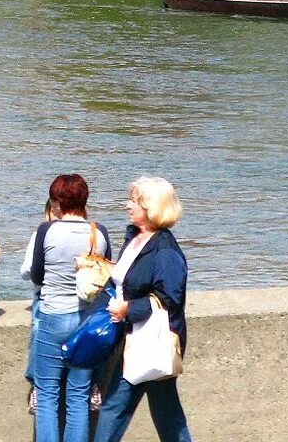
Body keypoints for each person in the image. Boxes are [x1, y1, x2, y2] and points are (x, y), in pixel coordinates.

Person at [95, 176, 192, 442]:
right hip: (132, 335)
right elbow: (128, 279)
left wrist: (129, 309)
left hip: (151, 338)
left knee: (117, 406)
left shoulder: (165, 251)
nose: (128, 205)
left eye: (135, 201)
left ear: (151, 207)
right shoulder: (135, 238)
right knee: (166, 412)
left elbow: (169, 297)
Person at [20, 174, 112, 442]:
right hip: (86, 321)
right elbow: (105, 276)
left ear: (58, 202)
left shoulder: (47, 231)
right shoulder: (99, 232)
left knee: (47, 395)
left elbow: (37, 275)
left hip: (53, 317)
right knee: (79, 396)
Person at [26, 197, 65, 415]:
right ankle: (35, 384)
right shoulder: (40, 234)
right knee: (38, 328)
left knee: (39, 329)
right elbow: (29, 272)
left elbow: (32, 274)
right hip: (53, 299)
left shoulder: (43, 233)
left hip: (52, 299)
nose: (56, 215)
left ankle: (36, 387)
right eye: (53, 211)